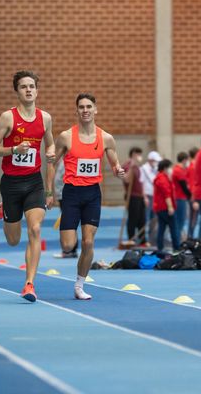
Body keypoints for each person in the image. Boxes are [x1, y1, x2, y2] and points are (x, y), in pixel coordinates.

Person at [0, 70, 55, 302]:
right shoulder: (8, 118)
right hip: (11, 184)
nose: (28, 90)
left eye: (32, 86)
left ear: (37, 90)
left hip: (33, 182)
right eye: (23, 86)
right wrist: (13, 150)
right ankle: (4, 208)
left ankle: (29, 284)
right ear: (17, 91)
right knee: (13, 240)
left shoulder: (45, 118)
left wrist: (49, 188)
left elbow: (50, 148)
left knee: (35, 229)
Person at [54, 92, 125, 300]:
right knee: (68, 245)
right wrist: (49, 192)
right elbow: (52, 162)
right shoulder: (67, 136)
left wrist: (119, 170)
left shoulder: (106, 138)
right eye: (81, 107)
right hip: (71, 193)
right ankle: (72, 243)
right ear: (77, 110)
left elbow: (114, 164)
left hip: (93, 193)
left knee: (87, 243)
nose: (85, 110)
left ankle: (79, 285)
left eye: (88, 107)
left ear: (95, 109)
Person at [121, 147, 147, 244]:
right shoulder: (127, 165)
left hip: (140, 196)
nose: (140, 156)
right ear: (133, 154)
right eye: (138, 154)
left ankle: (143, 240)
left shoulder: (138, 167)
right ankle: (131, 239)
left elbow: (141, 182)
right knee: (133, 218)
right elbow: (126, 179)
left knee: (142, 219)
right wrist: (132, 166)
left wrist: (144, 197)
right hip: (132, 196)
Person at [53, 158, 78, 258]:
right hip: (61, 196)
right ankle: (70, 249)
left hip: (66, 195)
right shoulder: (62, 160)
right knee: (68, 222)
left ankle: (71, 250)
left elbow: (64, 179)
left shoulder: (68, 160)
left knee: (69, 222)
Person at [154, 159, 179, 251]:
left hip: (160, 207)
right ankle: (176, 248)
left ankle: (160, 248)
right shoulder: (162, 179)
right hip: (164, 207)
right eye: (170, 167)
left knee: (162, 228)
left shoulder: (160, 177)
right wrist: (170, 207)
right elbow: (166, 194)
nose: (171, 169)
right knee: (173, 228)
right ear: (165, 168)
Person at [141, 151, 162, 241]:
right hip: (148, 196)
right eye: (155, 161)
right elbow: (142, 183)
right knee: (146, 217)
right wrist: (144, 197)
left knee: (154, 217)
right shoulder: (143, 168)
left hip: (156, 196)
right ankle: (144, 238)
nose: (156, 163)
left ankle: (152, 237)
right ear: (150, 160)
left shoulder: (156, 168)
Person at [171, 151, 191, 247]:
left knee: (180, 222)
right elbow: (184, 186)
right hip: (180, 198)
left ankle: (178, 242)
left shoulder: (180, 169)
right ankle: (177, 243)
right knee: (180, 222)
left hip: (181, 198)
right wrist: (191, 196)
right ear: (184, 160)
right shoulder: (178, 170)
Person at [186, 146, 199, 238]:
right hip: (194, 196)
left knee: (193, 219)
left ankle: (190, 236)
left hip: (193, 195)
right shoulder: (193, 167)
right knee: (193, 220)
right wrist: (194, 199)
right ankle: (190, 238)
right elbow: (192, 183)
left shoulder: (191, 166)